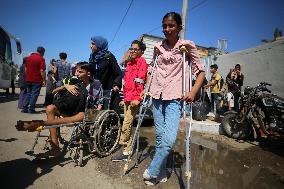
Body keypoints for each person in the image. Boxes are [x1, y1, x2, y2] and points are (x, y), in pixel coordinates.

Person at [142, 12, 205, 185]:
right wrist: (146, 88)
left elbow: (200, 71)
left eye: (171, 26)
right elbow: (151, 70)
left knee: (168, 140)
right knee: (160, 138)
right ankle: (161, 172)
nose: (167, 29)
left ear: (179, 28)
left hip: (175, 96)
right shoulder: (158, 48)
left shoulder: (187, 46)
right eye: (164, 26)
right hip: (156, 95)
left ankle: (152, 170)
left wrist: (192, 92)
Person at [16, 62, 103, 157]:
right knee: (50, 108)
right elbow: (53, 91)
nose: (76, 73)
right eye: (76, 71)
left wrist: (94, 117)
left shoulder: (96, 85)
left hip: (88, 113)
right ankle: (55, 148)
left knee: (82, 115)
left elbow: (99, 104)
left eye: (80, 72)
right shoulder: (75, 81)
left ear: (88, 74)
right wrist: (66, 86)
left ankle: (38, 123)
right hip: (72, 111)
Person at [111, 40, 148, 161]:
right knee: (126, 124)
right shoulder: (129, 64)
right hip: (128, 99)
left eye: (135, 49)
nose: (131, 51)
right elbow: (127, 84)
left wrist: (137, 99)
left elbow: (140, 82)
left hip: (135, 100)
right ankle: (127, 148)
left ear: (141, 52)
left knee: (126, 124)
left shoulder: (142, 63)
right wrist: (125, 99)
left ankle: (126, 151)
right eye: (131, 49)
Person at [89, 36, 122, 115]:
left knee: (106, 110)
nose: (90, 46)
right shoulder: (92, 56)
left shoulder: (109, 57)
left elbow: (118, 72)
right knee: (93, 109)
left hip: (107, 88)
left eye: (93, 44)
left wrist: (116, 84)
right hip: (95, 88)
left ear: (99, 45)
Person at [22, 46, 46, 113]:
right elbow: (42, 70)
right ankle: (31, 109)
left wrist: (27, 76)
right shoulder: (41, 59)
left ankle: (24, 108)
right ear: (42, 52)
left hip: (28, 79)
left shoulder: (28, 58)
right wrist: (44, 80)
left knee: (28, 93)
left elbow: (26, 69)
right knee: (34, 94)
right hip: (37, 80)